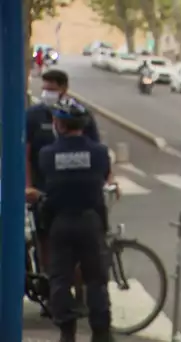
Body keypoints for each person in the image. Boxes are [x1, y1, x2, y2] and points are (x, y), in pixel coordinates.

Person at [37, 98, 117, 342]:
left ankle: (66, 331)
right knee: (95, 279)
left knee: (60, 278)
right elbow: (104, 177)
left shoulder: (48, 154)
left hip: (60, 222)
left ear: (59, 125)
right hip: (90, 220)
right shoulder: (99, 153)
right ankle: (100, 332)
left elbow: (46, 181)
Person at [26, 69, 101, 315]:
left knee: (76, 254)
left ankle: (75, 299)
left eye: (51, 88)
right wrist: (28, 185)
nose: (46, 92)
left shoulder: (82, 116)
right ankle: (54, 299)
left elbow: (96, 150)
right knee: (47, 248)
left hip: (74, 195)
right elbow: (26, 152)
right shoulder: (34, 116)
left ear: (64, 89)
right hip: (43, 192)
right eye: (44, 87)